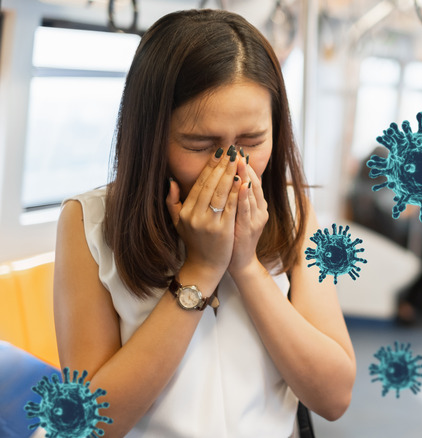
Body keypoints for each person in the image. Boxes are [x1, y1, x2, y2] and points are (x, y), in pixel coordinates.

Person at [53, 10, 356, 437]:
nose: (232, 166)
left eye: (252, 141)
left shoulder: (293, 209)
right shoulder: (89, 221)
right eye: (199, 144)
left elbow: (334, 397)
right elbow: (91, 424)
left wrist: (246, 266)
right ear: (152, 136)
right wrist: (201, 271)